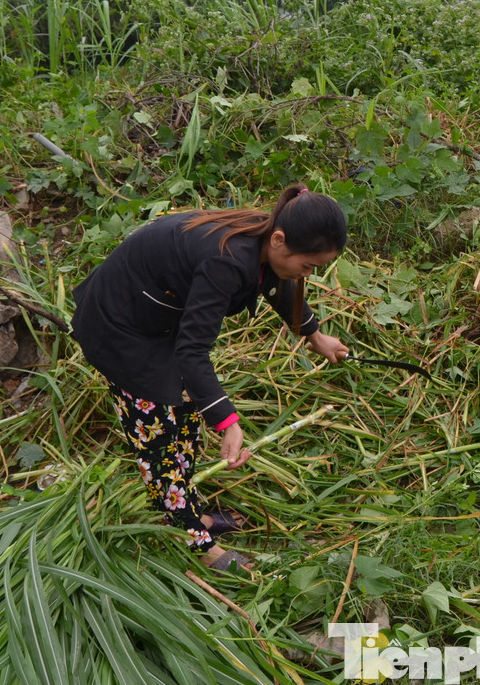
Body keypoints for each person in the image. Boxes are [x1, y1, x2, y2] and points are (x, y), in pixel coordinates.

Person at [70, 184, 349, 571]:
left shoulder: (267, 239)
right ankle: (192, 539)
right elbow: (192, 352)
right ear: (281, 239)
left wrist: (314, 335)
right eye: (309, 266)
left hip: (160, 319)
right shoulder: (229, 260)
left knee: (185, 415)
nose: (308, 275)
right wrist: (228, 422)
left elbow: (280, 283)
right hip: (120, 327)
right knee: (159, 439)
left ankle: (191, 509)